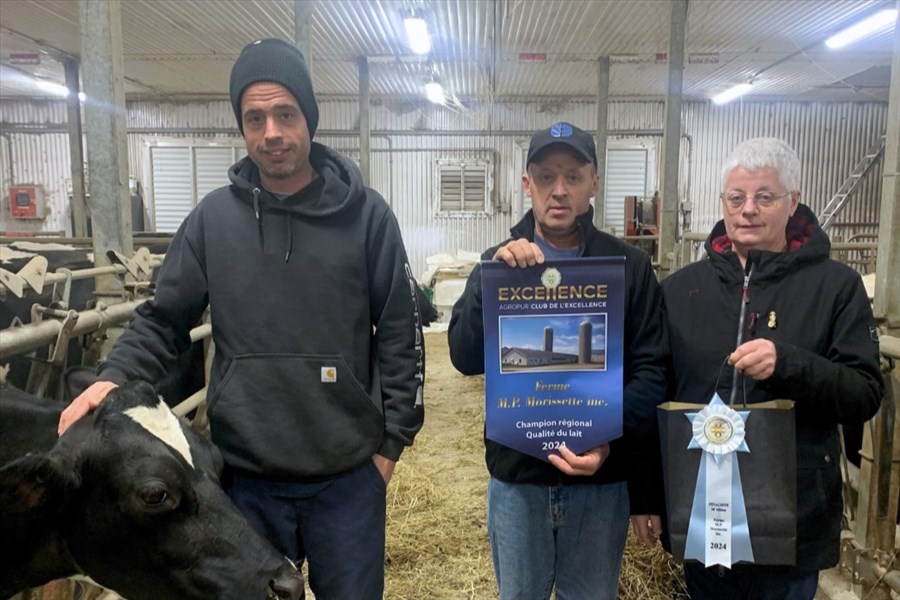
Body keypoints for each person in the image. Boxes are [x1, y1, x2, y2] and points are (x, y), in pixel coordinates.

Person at [58, 38, 425, 599]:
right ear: (242, 124)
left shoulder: (368, 218)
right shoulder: (211, 221)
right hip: (245, 482)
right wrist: (111, 377)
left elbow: (401, 333)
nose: (272, 132)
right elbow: (163, 320)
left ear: (309, 117)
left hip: (349, 478)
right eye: (255, 118)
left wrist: (388, 448)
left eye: (285, 114)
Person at [447, 122, 669, 600]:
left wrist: (606, 438)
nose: (560, 190)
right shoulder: (498, 263)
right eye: (546, 177)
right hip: (518, 481)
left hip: (601, 484)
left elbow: (654, 372)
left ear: (595, 182)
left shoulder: (628, 267)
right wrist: (492, 286)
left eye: (573, 175)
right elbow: (464, 358)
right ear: (527, 185)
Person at [661, 137, 883, 600]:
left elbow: (864, 393)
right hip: (703, 510)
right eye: (736, 198)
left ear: (793, 201)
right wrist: (649, 497)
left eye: (765, 197)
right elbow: (658, 390)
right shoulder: (682, 290)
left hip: (794, 514)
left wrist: (790, 364)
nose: (748, 210)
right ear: (722, 201)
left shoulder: (836, 288)